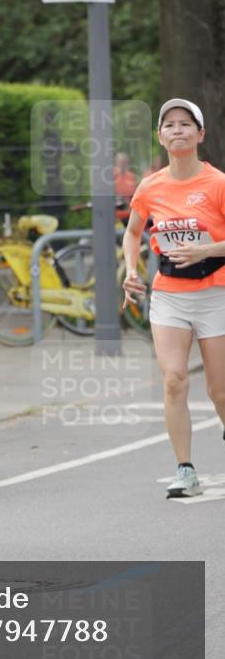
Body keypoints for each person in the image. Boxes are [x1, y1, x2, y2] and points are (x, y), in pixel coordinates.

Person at [122, 99, 225, 498]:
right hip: (170, 296)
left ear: (200, 134)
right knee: (174, 380)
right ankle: (185, 470)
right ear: (160, 137)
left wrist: (206, 251)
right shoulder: (151, 186)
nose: (177, 130)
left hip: (216, 293)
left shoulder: (217, 183)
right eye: (169, 125)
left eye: (185, 124)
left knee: (219, 390)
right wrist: (131, 271)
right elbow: (133, 232)